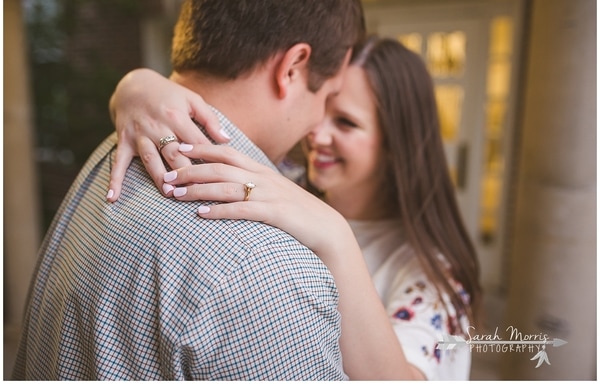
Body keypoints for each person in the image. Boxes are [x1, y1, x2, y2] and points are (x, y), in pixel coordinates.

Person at [12, 0, 366, 381]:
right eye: (328, 96)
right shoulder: (269, 271)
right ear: (293, 68)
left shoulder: (118, 147)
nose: (317, 127)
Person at [105, 36, 482, 380]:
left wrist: (337, 237)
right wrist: (135, 87)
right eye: (323, 109)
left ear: (395, 144)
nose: (317, 134)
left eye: (346, 123)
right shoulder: (282, 183)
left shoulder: (433, 275)